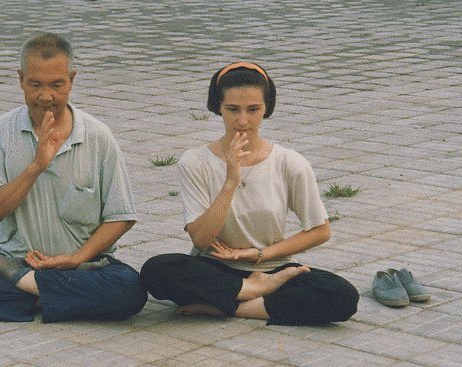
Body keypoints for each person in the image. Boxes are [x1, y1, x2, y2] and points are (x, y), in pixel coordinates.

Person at [0, 33, 147, 323]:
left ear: (72, 79)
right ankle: (51, 295)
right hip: (13, 259)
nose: (46, 96)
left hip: (82, 268)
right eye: (35, 84)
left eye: (57, 84)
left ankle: (26, 290)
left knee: (129, 290)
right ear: (20, 79)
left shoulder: (97, 136)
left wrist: (77, 257)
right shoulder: (0, 132)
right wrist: (35, 167)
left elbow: (121, 216)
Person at [140, 62, 359, 325]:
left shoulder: (290, 162)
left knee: (342, 296)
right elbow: (200, 239)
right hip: (215, 269)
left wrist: (260, 256)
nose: (242, 121)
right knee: (156, 270)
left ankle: (230, 306)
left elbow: (320, 230)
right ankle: (252, 294)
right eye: (232, 109)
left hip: (271, 269)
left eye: (253, 110)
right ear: (218, 108)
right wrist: (230, 181)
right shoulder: (195, 162)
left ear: (266, 109)